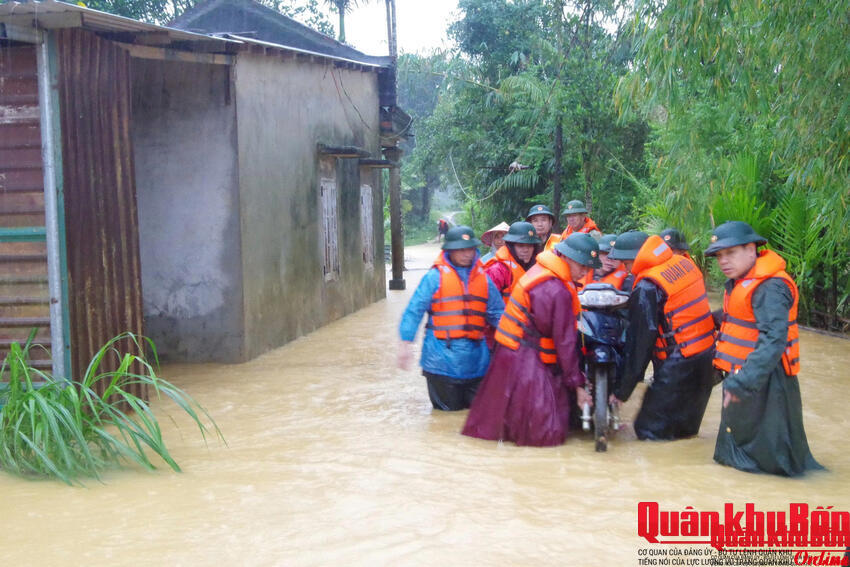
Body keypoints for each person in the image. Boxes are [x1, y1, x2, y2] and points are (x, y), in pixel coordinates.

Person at [705, 221, 822, 476]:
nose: (723, 260)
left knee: (771, 458)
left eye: (730, 252)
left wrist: (742, 383)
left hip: (767, 380)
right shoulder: (741, 281)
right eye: (719, 255)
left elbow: (774, 340)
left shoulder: (771, 286)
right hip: (747, 377)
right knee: (741, 453)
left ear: (752, 249)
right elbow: (736, 318)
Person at [461, 233, 601, 446]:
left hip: (510, 353)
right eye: (582, 265)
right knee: (544, 433)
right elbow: (564, 343)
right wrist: (579, 384)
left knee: (503, 421)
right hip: (523, 355)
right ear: (565, 258)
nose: (585, 272)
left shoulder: (547, 272)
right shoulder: (555, 289)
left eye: (588, 268)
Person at [610, 231, 716, 440]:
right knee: (684, 433)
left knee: (648, 431)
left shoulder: (647, 286)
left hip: (679, 364)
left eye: (626, 262)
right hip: (706, 360)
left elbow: (640, 345)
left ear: (637, 257)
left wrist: (622, 392)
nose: (625, 269)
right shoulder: (684, 264)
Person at [397, 226, 504, 411]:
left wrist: (520, 340)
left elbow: (498, 314)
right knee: (446, 420)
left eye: (469, 249)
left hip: (477, 362)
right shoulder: (434, 277)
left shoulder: (484, 280)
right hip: (441, 363)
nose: (465, 254)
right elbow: (414, 310)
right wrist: (405, 342)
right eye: (460, 249)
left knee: (477, 417)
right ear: (449, 251)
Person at [483, 221, 542, 303]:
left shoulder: (538, 268)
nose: (526, 250)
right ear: (511, 246)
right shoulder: (498, 271)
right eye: (520, 245)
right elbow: (487, 304)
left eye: (530, 245)